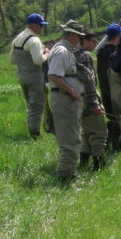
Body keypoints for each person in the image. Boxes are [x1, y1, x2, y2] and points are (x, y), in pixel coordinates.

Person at [47, 20, 86, 183]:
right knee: (70, 140)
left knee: (72, 137)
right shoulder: (62, 51)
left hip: (68, 99)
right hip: (65, 99)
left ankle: (70, 173)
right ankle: (65, 178)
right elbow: (53, 75)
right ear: (70, 35)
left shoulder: (67, 50)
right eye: (78, 36)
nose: (80, 40)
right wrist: (72, 91)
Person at [10, 13, 50, 139]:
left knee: (30, 104)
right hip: (34, 76)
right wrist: (47, 54)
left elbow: (12, 59)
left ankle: (32, 128)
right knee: (37, 105)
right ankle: (35, 133)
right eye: (40, 25)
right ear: (33, 25)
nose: (41, 28)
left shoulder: (18, 38)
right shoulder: (34, 40)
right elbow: (38, 61)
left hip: (22, 75)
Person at [75, 31, 108, 170]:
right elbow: (89, 82)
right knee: (99, 132)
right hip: (89, 99)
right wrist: (94, 103)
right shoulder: (85, 56)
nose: (95, 45)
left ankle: (83, 161)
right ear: (85, 41)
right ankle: (98, 164)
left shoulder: (72, 54)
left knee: (86, 131)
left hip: (77, 100)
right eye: (93, 42)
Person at [96, 23, 121, 151]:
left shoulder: (100, 51)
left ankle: (107, 143)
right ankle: (116, 146)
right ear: (117, 36)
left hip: (104, 88)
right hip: (113, 89)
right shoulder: (114, 53)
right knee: (118, 117)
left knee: (111, 116)